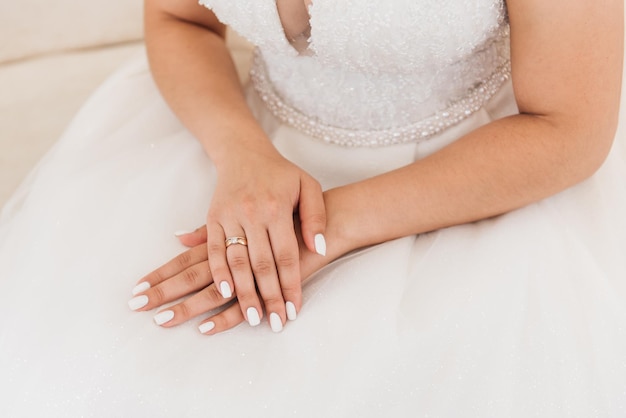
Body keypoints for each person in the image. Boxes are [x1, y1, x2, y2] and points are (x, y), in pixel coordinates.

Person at [1, 0, 625, 416]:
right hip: (240, 144)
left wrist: (321, 228)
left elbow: (568, 126)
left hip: (478, 176)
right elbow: (177, 18)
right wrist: (241, 156)